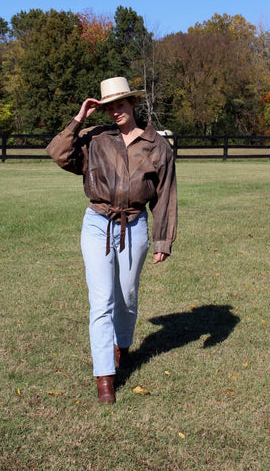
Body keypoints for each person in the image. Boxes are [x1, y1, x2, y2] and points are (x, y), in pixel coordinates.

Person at [46, 76, 177, 404]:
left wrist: (162, 240)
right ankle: (105, 377)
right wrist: (79, 119)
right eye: (108, 106)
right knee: (101, 300)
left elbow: (165, 195)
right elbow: (58, 153)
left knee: (127, 297)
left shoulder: (156, 146)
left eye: (120, 104)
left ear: (132, 103)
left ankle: (122, 347)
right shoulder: (95, 138)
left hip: (134, 226)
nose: (115, 111)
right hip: (97, 225)